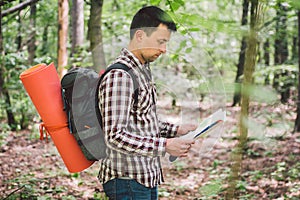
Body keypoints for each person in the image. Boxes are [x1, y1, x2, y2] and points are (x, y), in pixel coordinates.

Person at [98, 6, 196, 200]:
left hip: (144, 177)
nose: (164, 50)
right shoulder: (120, 76)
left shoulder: (141, 71)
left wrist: (176, 130)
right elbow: (115, 136)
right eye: (161, 42)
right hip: (127, 180)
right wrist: (165, 145)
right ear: (140, 36)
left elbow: (141, 122)